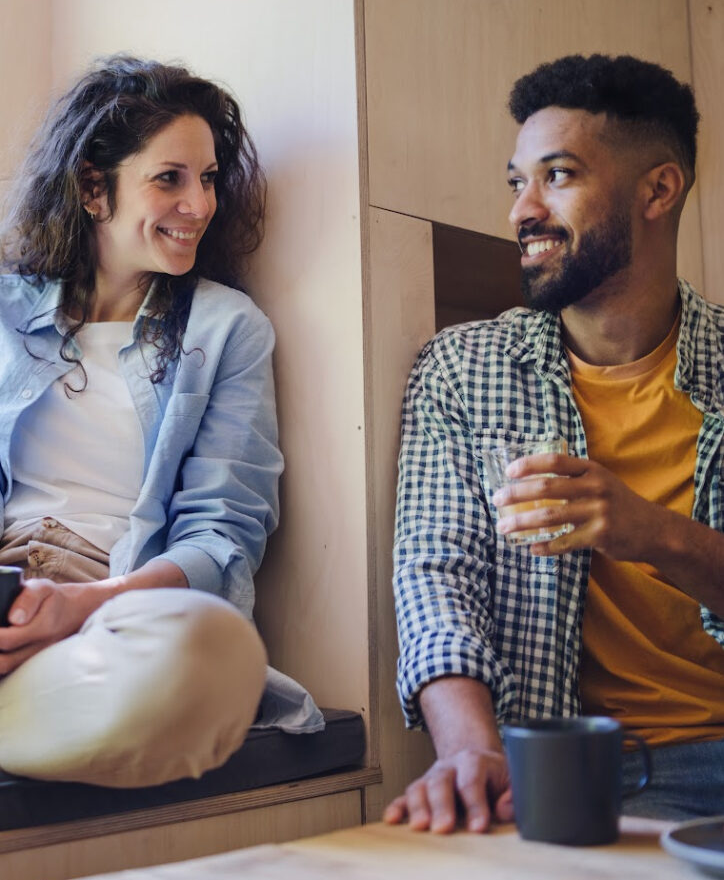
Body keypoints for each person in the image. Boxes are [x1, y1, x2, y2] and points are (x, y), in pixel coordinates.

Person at [384, 54, 724, 830]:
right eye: (516, 182)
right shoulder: (462, 371)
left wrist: (651, 532)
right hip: (576, 776)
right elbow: (437, 579)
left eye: (557, 176)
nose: (520, 210)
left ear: (658, 190)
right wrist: (469, 750)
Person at [0, 54, 319, 788]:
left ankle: (33, 712)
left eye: (208, 178)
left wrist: (82, 602)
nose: (201, 205)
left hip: (108, 614)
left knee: (219, 650)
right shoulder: (7, 309)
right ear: (92, 187)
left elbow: (224, 535)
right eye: (170, 177)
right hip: (7, 586)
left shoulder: (228, 328)